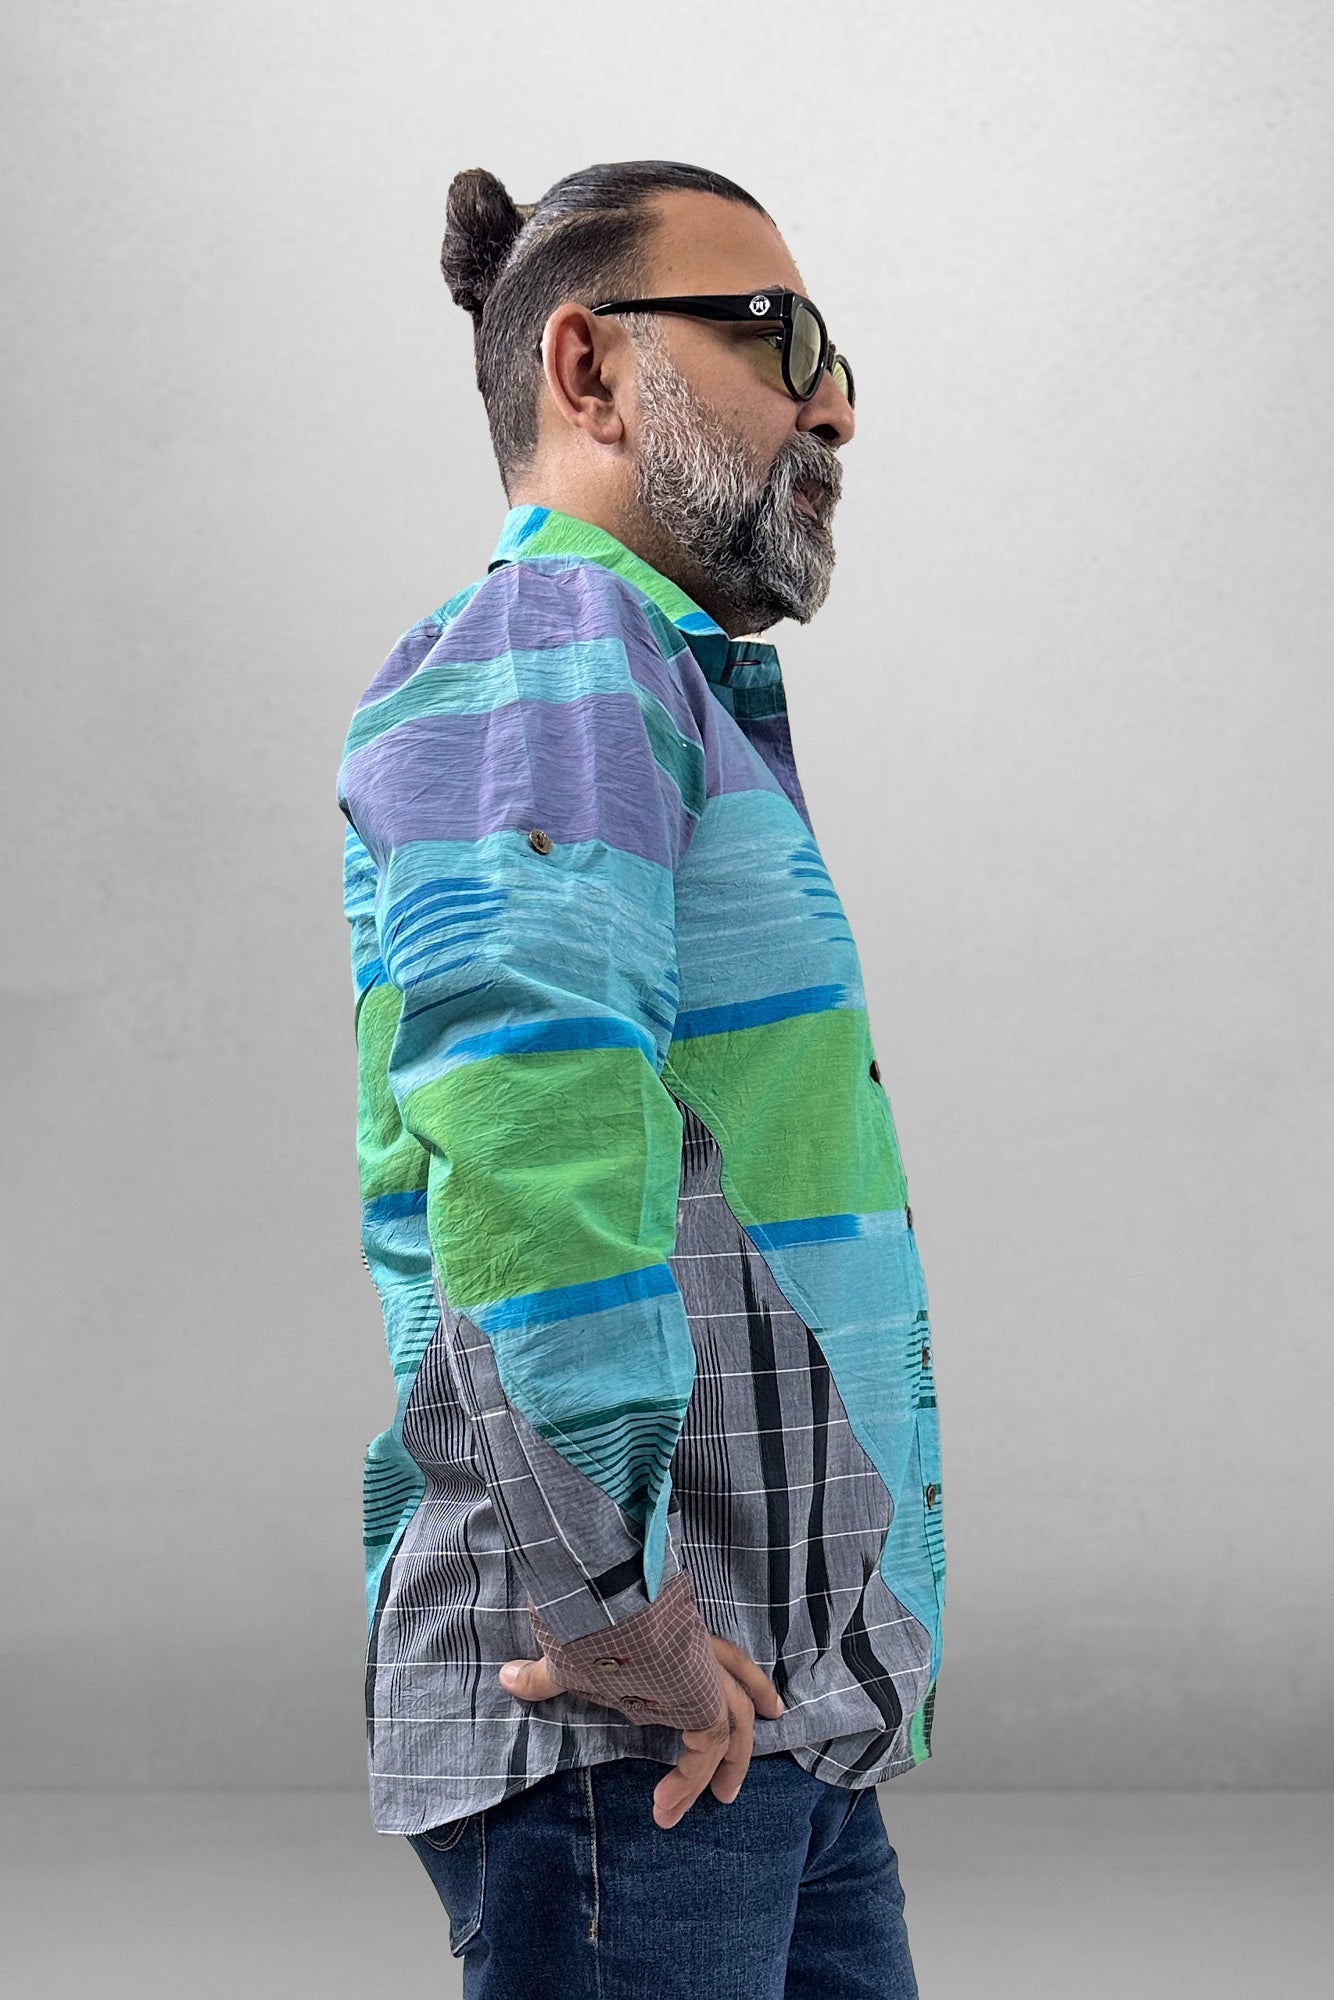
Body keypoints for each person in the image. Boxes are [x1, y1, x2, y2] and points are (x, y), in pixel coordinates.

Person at [335, 158, 944, 2000]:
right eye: (776, 340)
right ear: (587, 368)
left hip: (762, 1690)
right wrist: (619, 1613)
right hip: (640, 1716)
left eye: (835, 357)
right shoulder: (555, 646)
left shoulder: (648, 684)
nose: (834, 405)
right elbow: (528, 1139)